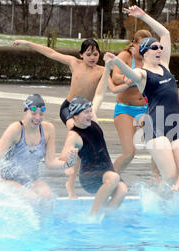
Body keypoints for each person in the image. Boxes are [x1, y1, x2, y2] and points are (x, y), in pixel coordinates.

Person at [12, 38, 112, 198]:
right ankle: (68, 172)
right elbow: (51, 53)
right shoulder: (74, 63)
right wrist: (28, 43)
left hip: (85, 112)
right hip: (68, 109)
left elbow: (112, 87)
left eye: (95, 54)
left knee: (90, 138)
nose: (92, 57)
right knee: (78, 136)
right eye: (88, 54)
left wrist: (131, 82)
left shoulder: (101, 71)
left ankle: (79, 176)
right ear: (81, 55)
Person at [104, 5, 179, 185]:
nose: (159, 49)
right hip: (156, 126)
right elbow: (131, 73)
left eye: (160, 47)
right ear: (144, 52)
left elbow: (165, 33)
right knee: (171, 176)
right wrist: (117, 61)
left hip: (177, 123)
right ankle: (160, 206)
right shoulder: (143, 74)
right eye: (154, 47)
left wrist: (143, 16)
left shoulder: (164, 65)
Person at [0, 94, 76, 208]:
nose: (38, 117)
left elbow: (50, 162)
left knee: (48, 197)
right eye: (34, 113)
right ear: (25, 112)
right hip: (9, 181)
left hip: (31, 180)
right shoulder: (16, 129)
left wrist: (66, 163)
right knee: (33, 199)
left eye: (41, 114)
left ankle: (45, 226)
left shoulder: (48, 130)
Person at [59, 97, 128, 217]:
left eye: (90, 111)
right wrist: (69, 159)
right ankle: (93, 216)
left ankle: (105, 217)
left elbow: (100, 95)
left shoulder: (92, 123)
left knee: (122, 190)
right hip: (89, 177)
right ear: (75, 116)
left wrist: (105, 76)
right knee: (113, 178)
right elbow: (63, 157)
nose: (90, 114)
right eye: (86, 112)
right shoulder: (74, 135)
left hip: (107, 171)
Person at [110, 30, 153, 174]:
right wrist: (125, 78)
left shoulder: (150, 57)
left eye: (148, 45)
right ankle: (112, 178)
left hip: (146, 109)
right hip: (126, 109)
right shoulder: (126, 56)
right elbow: (115, 77)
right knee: (129, 153)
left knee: (158, 147)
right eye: (141, 44)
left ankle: (158, 181)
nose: (144, 48)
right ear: (134, 43)